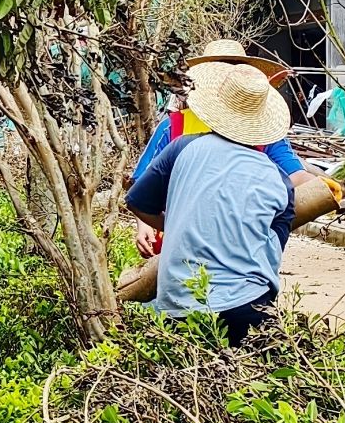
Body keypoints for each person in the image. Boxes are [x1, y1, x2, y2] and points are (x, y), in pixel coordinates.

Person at [124, 64, 296, 346]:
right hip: (248, 308)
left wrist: (180, 222)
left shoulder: (182, 148)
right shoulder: (280, 182)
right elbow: (269, 252)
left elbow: (137, 203)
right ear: (262, 123)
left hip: (178, 306)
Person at [130, 39, 331, 255]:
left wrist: (329, 186)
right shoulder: (174, 126)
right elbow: (143, 187)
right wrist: (146, 225)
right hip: (180, 244)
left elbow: (295, 176)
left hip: (238, 244)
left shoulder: (264, 131)